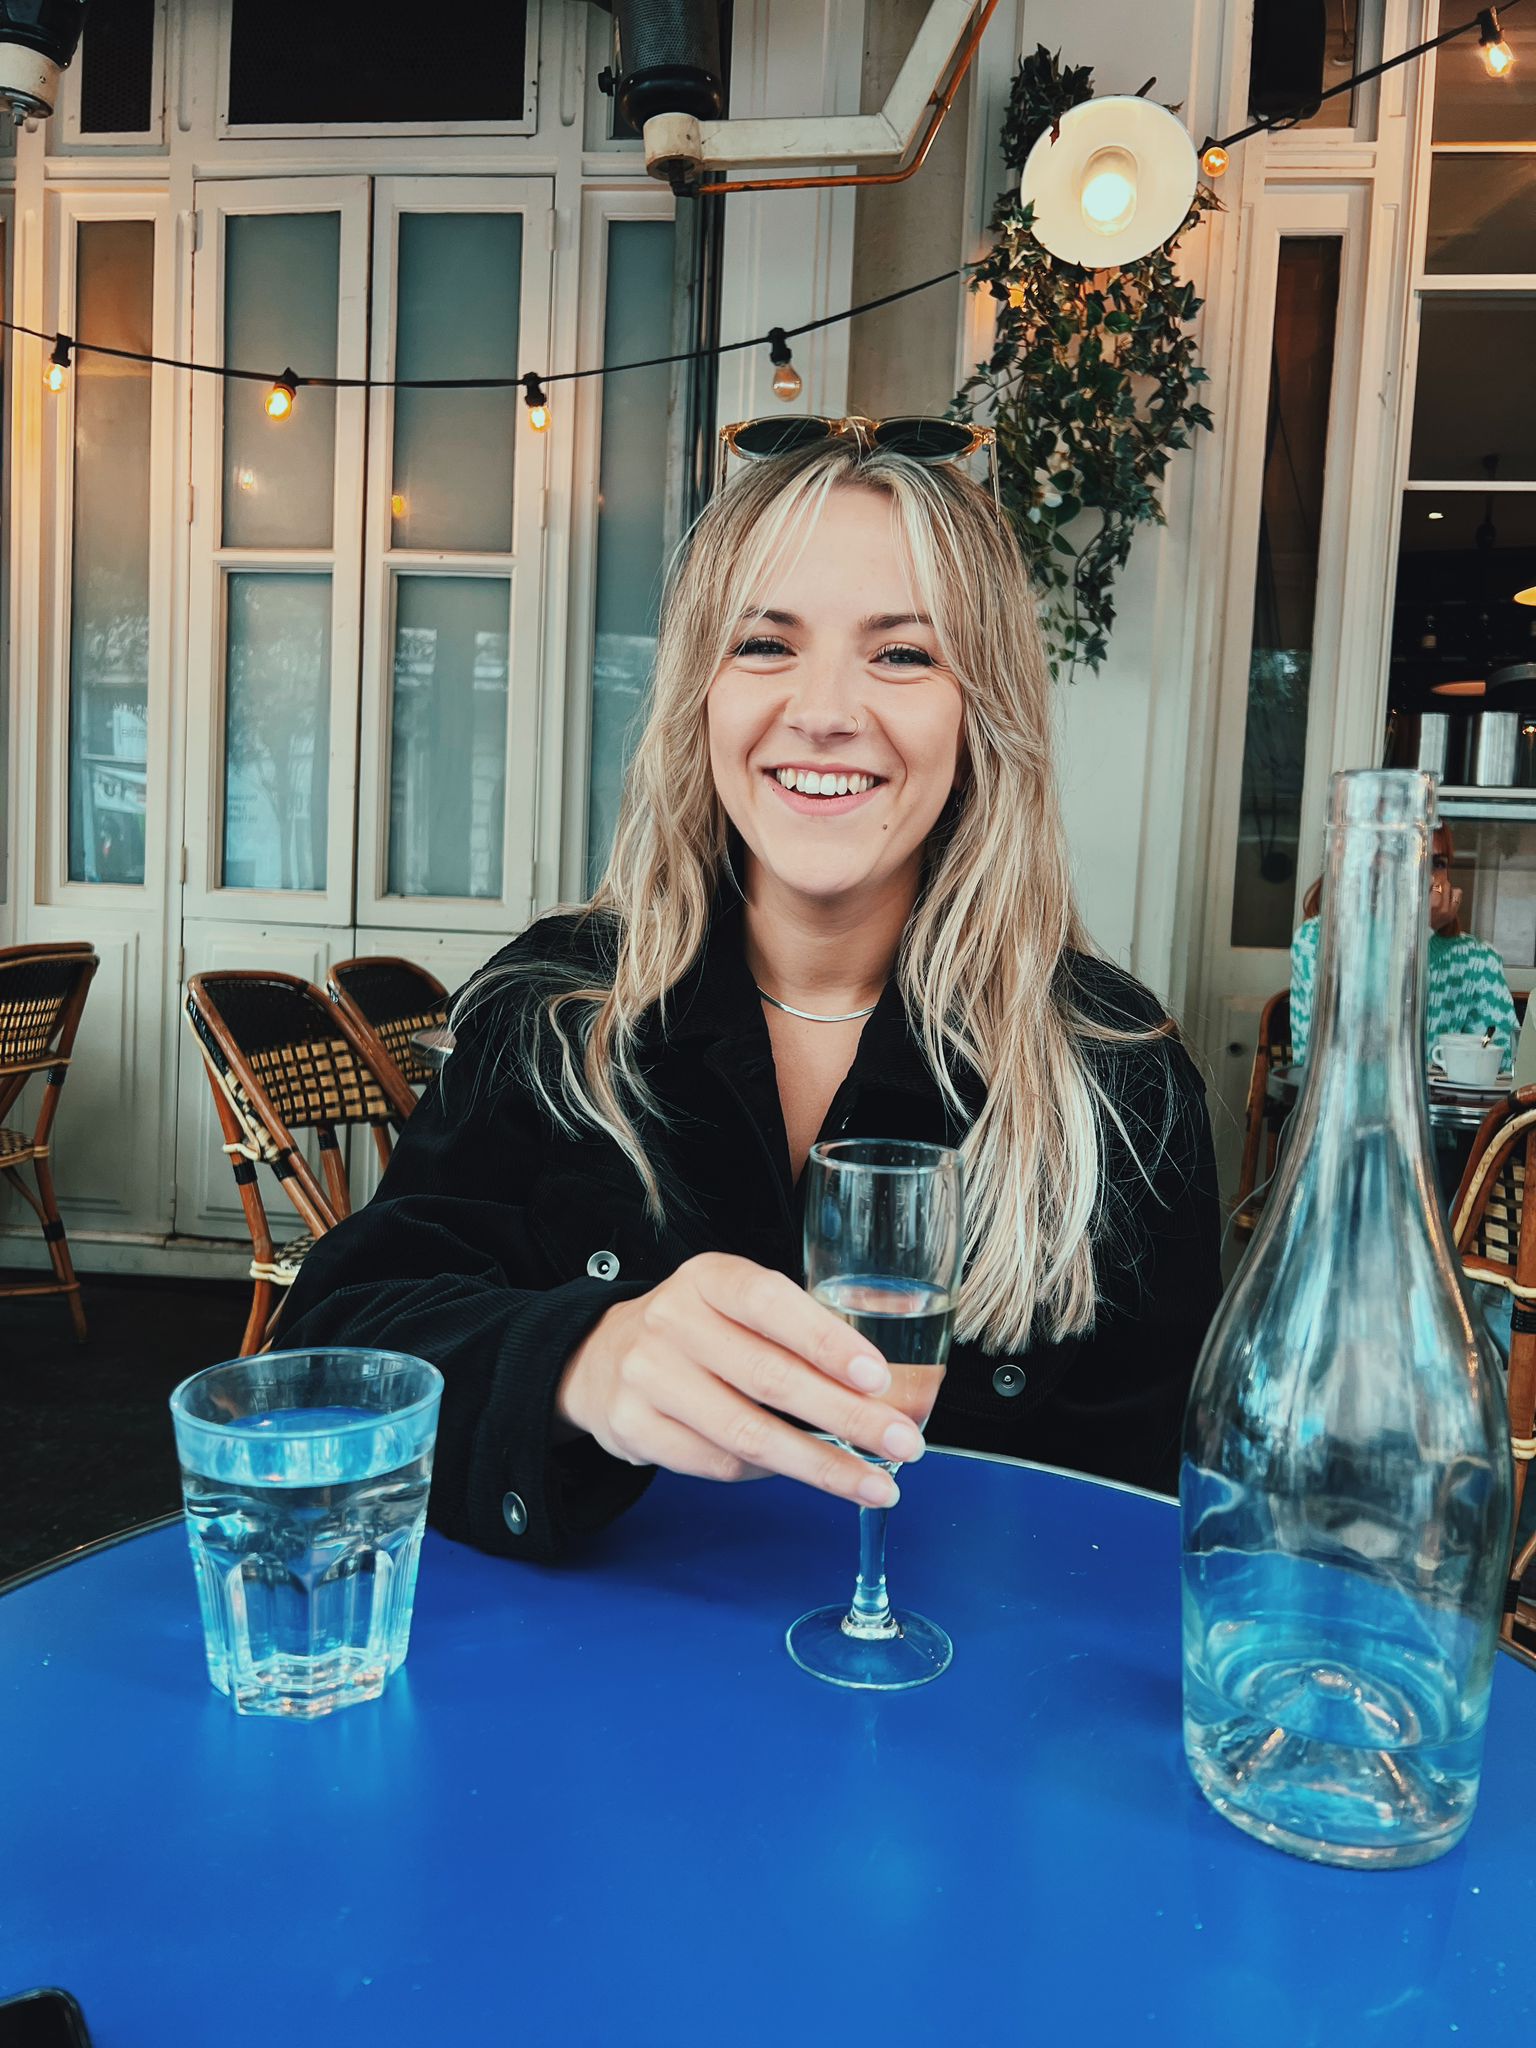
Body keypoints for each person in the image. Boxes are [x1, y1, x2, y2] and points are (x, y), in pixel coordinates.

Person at [278, 427, 1222, 1563]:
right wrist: (580, 1359)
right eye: (766, 643)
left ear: (983, 713)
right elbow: (329, 1348)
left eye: (904, 655)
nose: (823, 709)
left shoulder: (1116, 1072)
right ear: (701, 695)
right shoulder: (555, 1010)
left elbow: (1153, 1532)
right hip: (595, 1706)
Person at [1289, 822, 1517, 1065]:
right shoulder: (1319, 941)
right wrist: (1419, 933)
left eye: (1436, 864)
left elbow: (1503, 1062)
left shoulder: (1477, 960)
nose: (1423, 877)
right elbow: (1343, 1054)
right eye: (1405, 858)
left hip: (1444, 1104)